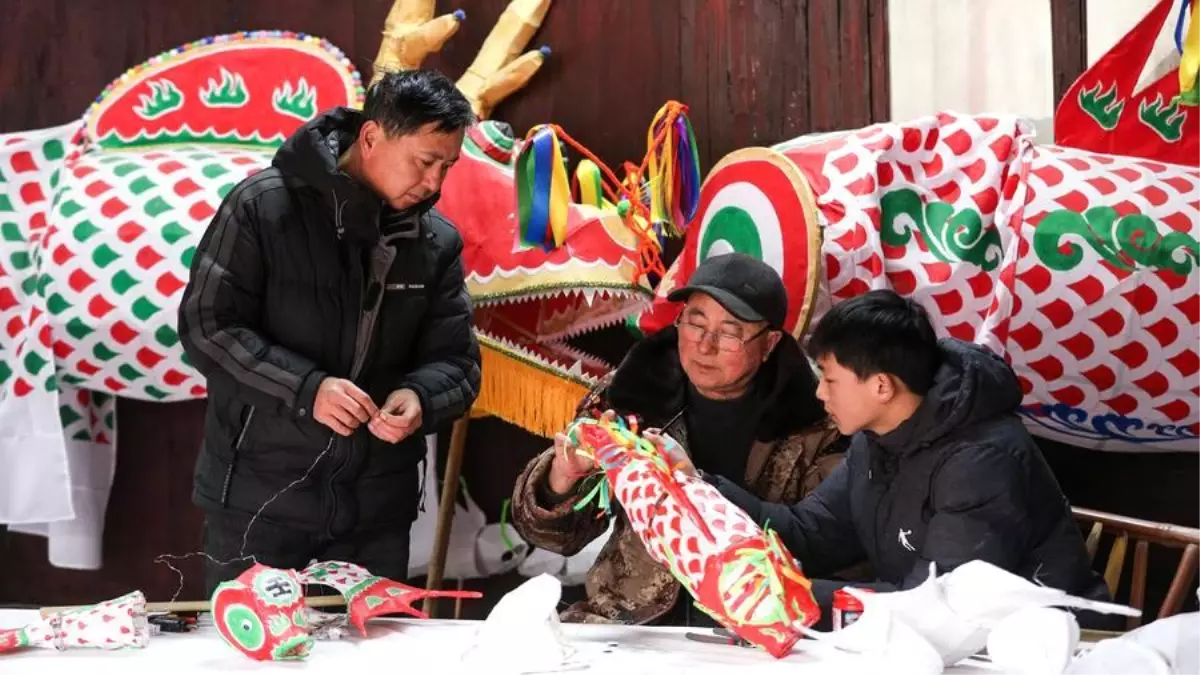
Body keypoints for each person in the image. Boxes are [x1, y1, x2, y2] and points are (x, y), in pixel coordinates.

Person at [178, 69, 482, 595]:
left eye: (446, 166)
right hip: (258, 504)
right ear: (371, 139)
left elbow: (458, 363)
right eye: (424, 161)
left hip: (376, 517)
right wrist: (306, 389)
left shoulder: (437, 242)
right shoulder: (263, 206)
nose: (434, 183)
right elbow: (208, 327)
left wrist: (419, 398)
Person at [700, 289, 1112, 628]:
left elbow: (937, 607)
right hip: (944, 642)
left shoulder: (983, 461)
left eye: (829, 379)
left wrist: (788, 597)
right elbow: (812, 533)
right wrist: (702, 491)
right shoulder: (875, 437)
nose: (820, 394)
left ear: (881, 386)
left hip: (1048, 646)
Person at [510, 252, 849, 626]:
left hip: (757, 628)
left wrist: (699, 490)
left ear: (768, 344)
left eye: (731, 333)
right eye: (695, 323)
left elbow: (825, 544)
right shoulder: (629, 396)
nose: (705, 346)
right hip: (629, 623)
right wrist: (562, 479)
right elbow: (553, 537)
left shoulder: (818, 420)